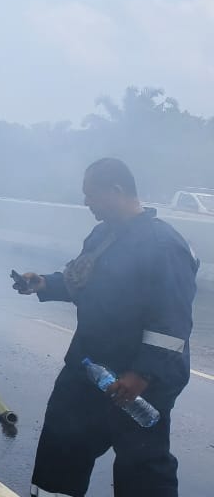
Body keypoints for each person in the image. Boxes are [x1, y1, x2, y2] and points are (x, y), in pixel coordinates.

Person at [16, 158, 198, 497]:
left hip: (138, 379)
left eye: (91, 195)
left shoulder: (163, 245)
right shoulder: (103, 235)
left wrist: (141, 374)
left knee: (141, 464)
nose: (86, 203)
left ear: (116, 191)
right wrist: (42, 283)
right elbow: (79, 279)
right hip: (90, 366)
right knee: (63, 441)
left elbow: (172, 325)